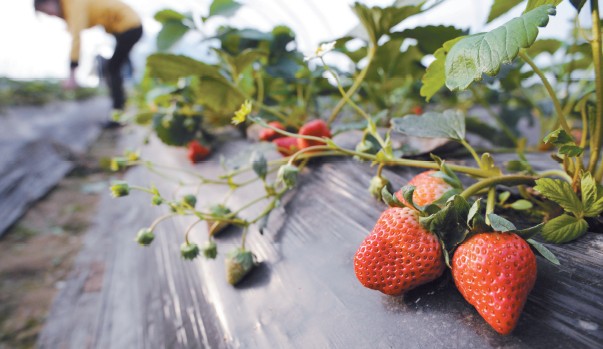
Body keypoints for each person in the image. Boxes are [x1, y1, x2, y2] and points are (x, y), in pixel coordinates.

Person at [34, 0, 143, 126]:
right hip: (124, 27)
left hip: (129, 25)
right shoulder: (69, 8)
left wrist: (72, 74)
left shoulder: (72, 4)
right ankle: (120, 111)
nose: (49, 15)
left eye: (46, 10)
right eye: (45, 14)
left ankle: (118, 116)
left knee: (112, 69)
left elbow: (76, 38)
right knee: (114, 68)